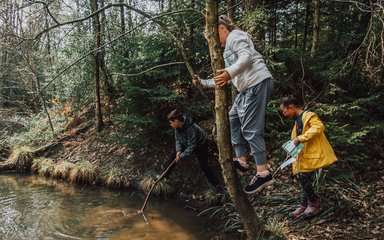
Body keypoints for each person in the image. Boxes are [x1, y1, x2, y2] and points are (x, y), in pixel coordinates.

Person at [194, 15, 274, 194]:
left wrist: (229, 72)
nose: (213, 42)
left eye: (212, 37)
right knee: (233, 117)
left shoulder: (236, 36)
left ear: (222, 28)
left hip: (257, 82)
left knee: (251, 129)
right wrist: (202, 82)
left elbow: (246, 58)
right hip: (246, 89)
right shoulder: (226, 48)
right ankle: (242, 160)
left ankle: (263, 172)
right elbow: (224, 79)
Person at [280, 96, 337, 218]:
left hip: (313, 155)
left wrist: (299, 139)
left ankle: (315, 204)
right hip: (304, 157)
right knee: (302, 179)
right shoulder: (297, 122)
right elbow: (296, 141)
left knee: (303, 178)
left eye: (284, 111)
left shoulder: (308, 116)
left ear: (291, 107)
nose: (284, 114)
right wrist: (291, 150)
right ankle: (304, 205)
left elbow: (318, 127)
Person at [163, 109, 221, 190]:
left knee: (203, 165)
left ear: (176, 121)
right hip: (185, 141)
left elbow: (192, 146)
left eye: (171, 123)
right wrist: (178, 151)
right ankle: (165, 176)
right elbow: (177, 139)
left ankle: (216, 185)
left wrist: (181, 155)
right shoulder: (177, 127)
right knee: (173, 157)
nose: (170, 125)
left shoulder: (190, 129)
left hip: (200, 144)